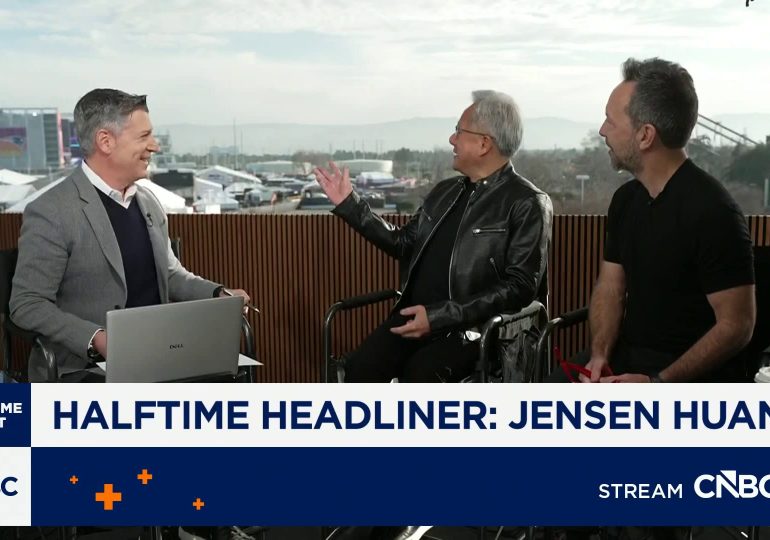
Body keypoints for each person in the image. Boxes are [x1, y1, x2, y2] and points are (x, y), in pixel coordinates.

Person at [10, 88, 250, 382]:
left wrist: (219, 295)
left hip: (160, 356)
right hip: (87, 369)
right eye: (144, 136)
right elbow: (27, 304)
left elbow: (170, 275)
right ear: (105, 141)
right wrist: (96, 338)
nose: (154, 146)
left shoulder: (148, 202)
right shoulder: (52, 211)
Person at [314, 90, 552, 382]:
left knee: (419, 376)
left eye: (459, 131)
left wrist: (440, 316)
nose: (452, 139)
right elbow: (403, 243)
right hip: (415, 319)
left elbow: (520, 287)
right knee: (357, 371)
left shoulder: (528, 202)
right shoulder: (445, 191)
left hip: (475, 332)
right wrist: (351, 206)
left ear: (484, 143)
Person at [574, 57, 755, 384]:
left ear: (645, 136)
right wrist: (599, 356)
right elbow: (611, 287)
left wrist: (657, 384)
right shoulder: (625, 200)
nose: (602, 131)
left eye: (610, 121)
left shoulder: (714, 211)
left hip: (688, 380)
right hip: (626, 360)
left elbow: (737, 326)